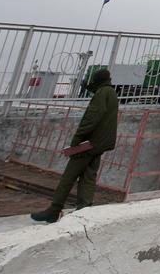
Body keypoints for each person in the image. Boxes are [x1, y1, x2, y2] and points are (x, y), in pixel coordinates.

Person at [30, 68, 119, 222]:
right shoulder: (111, 93)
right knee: (88, 176)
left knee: (69, 176)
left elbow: (91, 119)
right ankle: (84, 209)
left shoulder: (102, 93)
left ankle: (54, 209)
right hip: (101, 143)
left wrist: (77, 139)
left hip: (90, 143)